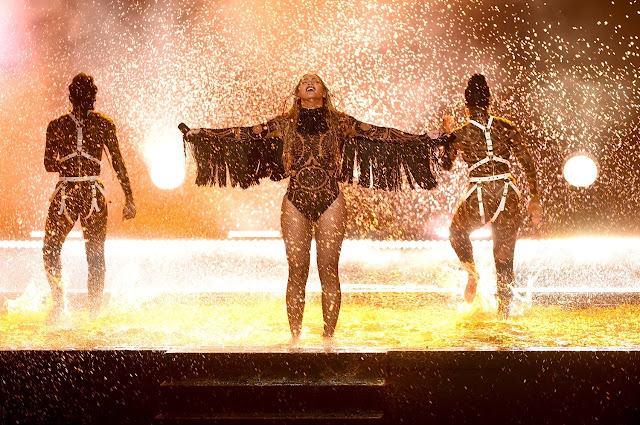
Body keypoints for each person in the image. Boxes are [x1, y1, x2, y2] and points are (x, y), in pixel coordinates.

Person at [183, 74, 451, 341]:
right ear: (297, 93)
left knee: (329, 270)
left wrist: (425, 138)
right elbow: (243, 133)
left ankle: (328, 339)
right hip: (295, 201)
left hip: (330, 200)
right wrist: (202, 134)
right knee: (296, 272)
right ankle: (295, 339)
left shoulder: (341, 122)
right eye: (304, 81)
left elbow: (384, 134)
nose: (309, 82)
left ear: (324, 92)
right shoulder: (284, 123)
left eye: (316, 81)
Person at [441, 74, 541, 318]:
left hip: (480, 193)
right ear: (489, 101)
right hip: (509, 192)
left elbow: (446, 164)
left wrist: (447, 135)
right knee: (504, 258)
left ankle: (472, 275)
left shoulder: (461, 133)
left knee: (456, 233)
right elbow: (527, 161)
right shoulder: (506, 127)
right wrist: (535, 197)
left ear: (466, 105)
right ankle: (504, 317)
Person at [43, 73, 136, 321]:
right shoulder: (104, 124)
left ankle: (59, 305)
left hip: (66, 194)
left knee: (50, 249)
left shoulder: (57, 125)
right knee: (95, 255)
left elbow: (48, 164)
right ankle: (94, 311)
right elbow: (118, 163)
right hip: (93, 194)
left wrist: (67, 163)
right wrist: (129, 198)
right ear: (93, 96)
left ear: (70, 96)